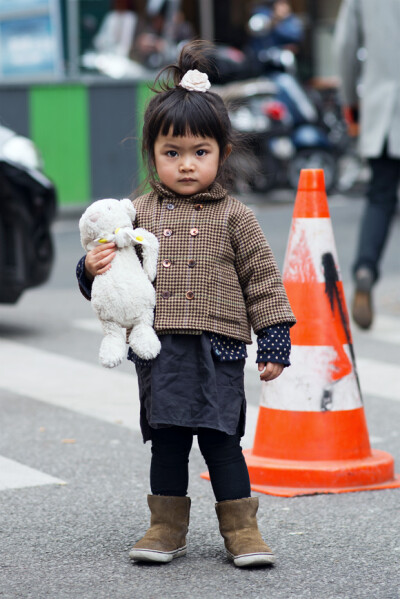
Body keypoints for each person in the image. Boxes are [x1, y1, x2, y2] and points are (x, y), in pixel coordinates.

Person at [76, 41, 296, 568]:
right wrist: (90, 269)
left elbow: (264, 281)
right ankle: (165, 526)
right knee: (168, 441)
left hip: (219, 346)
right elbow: (104, 275)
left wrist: (274, 339)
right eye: (171, 154)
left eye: (200, 152)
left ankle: (242, 531)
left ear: (222, 152)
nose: (187, 165)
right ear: (152, 153)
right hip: (160, 349)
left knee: (223, 441)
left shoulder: (236, 217)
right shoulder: (133, 215)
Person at [334, 0, 400, 329]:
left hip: (384, 109)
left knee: (381, 196)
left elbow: (345, 45)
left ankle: (365, 269)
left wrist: (351, 101)